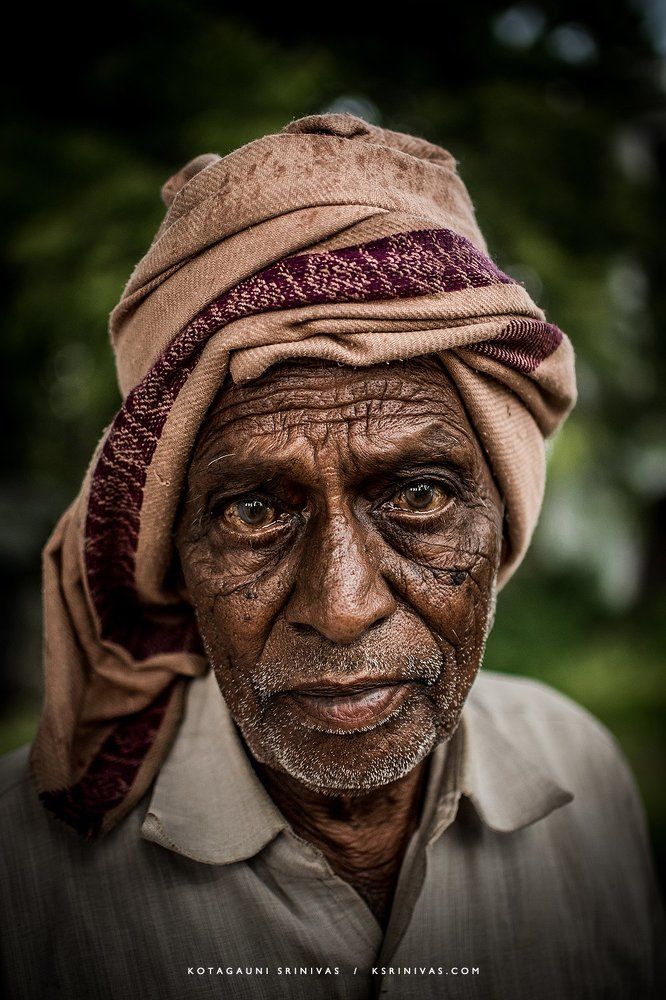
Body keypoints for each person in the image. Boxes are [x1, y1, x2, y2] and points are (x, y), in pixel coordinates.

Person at [0, 113, 662, 1000]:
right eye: (252, 510)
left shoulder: (585, 774)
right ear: (171, 549)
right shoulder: (20, 880)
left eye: (419, 496)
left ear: (503, 517)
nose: (343, 605)